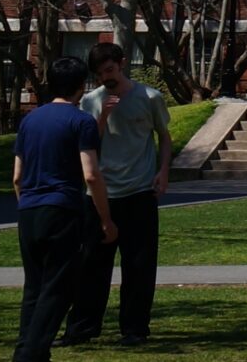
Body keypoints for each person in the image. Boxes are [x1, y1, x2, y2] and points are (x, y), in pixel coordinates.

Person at [66, 42, 173, 346]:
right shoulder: (90, 101)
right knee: (91, 265)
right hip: (100, 194)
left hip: (139, 191)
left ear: (122, 64)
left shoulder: (149, 97)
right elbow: (88, 146)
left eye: (110, 70)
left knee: (139, 265)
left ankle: (135, 328)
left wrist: (163, 171)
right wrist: (101, 117)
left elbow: (164, 138)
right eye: (100, 74)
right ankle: (82, 328)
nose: (106, 78)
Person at [11, 56, 113, 362]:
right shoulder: (81, 120)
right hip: (63, 210)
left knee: (35, 287)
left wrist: (27, 204)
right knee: (59, 288)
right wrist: (105, 219)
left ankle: (29, 351)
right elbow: (91, 174)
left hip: (29, 209)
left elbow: (17, 175)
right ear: (82, 87)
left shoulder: (30, 120)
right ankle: (29, 355)